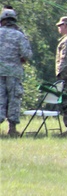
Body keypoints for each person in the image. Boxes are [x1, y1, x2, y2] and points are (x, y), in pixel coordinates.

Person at [0, 8, 33, 137]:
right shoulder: (19, 35)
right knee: (14, 98)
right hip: (14, 72)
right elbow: (27, 54)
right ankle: (12, 128)